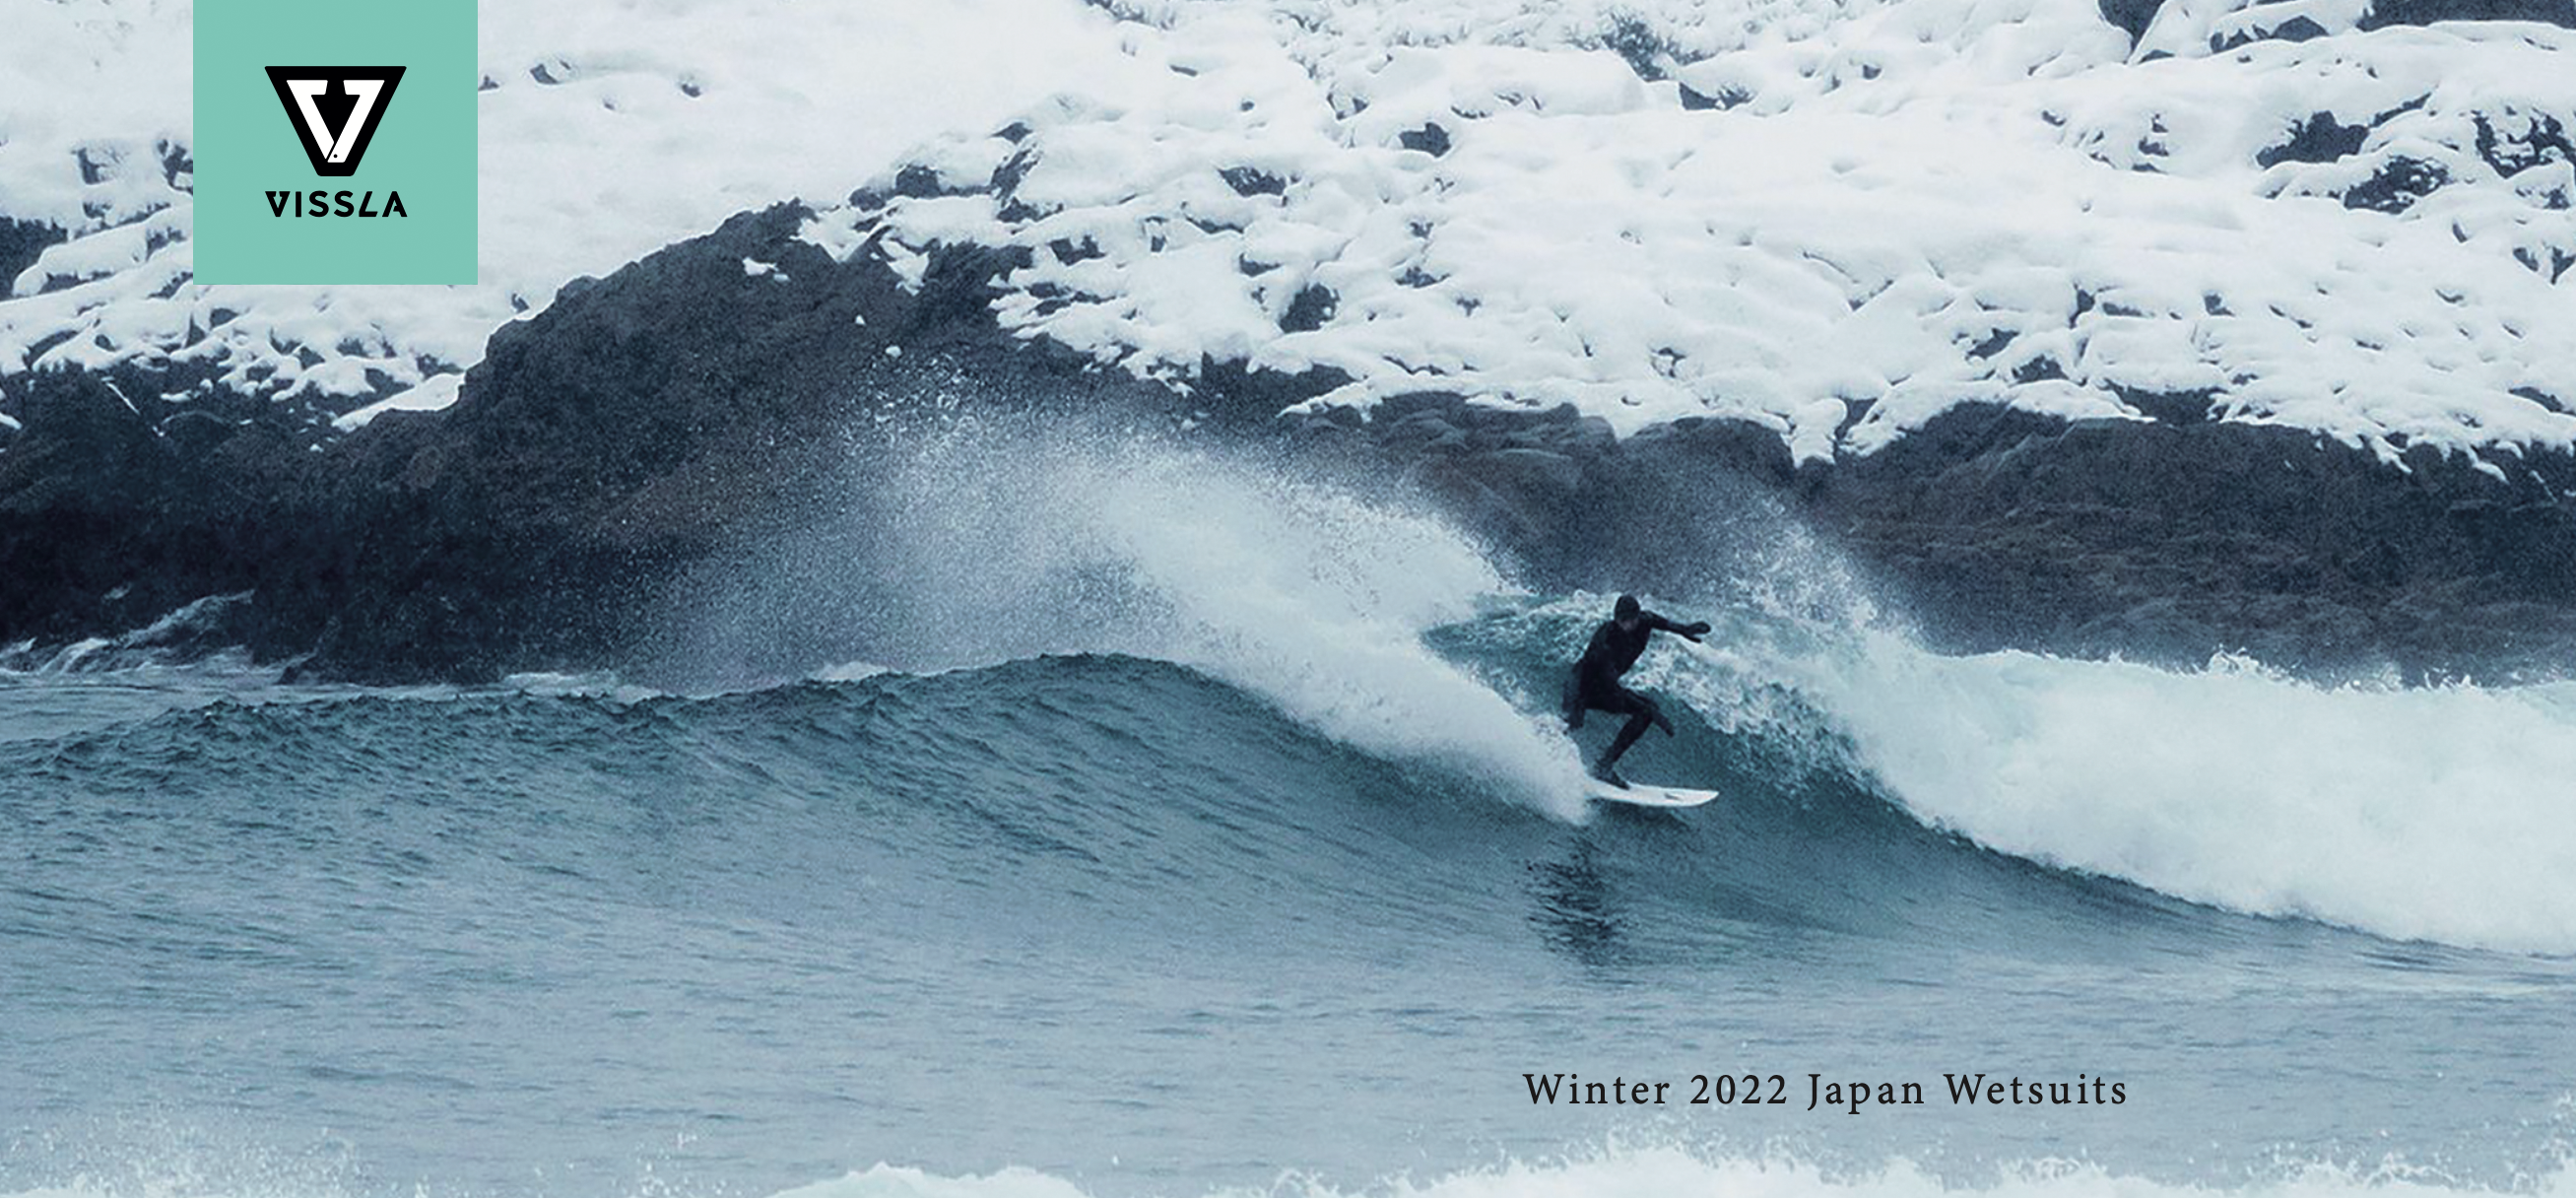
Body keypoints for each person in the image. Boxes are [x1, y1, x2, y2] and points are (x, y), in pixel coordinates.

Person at [1562, 594, 1709, 787]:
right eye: (1621, 620)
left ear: (1637, 617)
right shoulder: (1605, 640)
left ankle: (1603, 767)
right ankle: (1546, 752)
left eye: (1630, 620)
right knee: (1571, 724)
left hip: (1605, 687)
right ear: (1615, 618)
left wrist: (1685, 629)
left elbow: (1661, 622)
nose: (1626, 624)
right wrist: (1654, 714)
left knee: (1646, 711)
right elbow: (1611, 685)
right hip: (1581, 688)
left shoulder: (1644, 620)